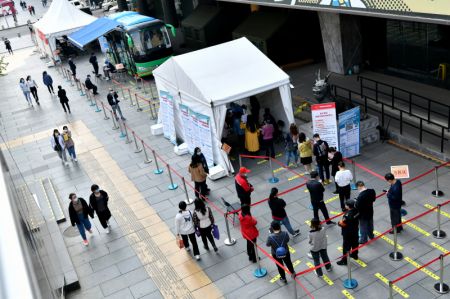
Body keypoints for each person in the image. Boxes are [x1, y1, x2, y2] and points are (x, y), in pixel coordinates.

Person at [337, 199, 360, 265]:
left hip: (348, 233)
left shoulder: (347, 215)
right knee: (355, 244)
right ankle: (355, 255)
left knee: (346, 247)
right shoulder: (357, 210)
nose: (345, 205)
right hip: (355, 230)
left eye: (346, 205)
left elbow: (342, 224)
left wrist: (339, 223)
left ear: (348, 206)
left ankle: (344, 260)